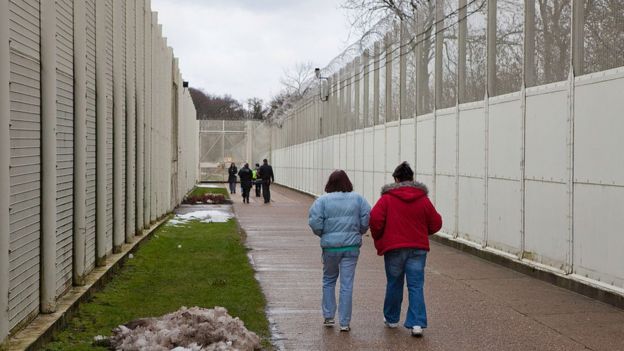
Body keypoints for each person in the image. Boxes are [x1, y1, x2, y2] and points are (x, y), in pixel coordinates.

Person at [369, 162, 442, 338]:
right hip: (418, 249)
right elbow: (436, 223)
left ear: (396, 179)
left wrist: (381, 236)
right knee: (416, 285)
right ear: (412, 179)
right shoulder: (423, 199)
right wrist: (422, 232)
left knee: (394, 283)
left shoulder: (387, 198)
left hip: (394, 248)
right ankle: (417, 324)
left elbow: (375, 220)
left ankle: (392, 319)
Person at [308, 170, 371, 332]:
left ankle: (329, 317)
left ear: (330, 183)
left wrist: (323, 233)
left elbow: (315, 222)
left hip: (330, 248)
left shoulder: (322, 201)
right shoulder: (358, 199)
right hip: (351, 247)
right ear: (347, 182)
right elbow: (366, 218)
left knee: (329, 280)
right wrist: (359, 231)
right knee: (346, 284)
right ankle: (344, 322)